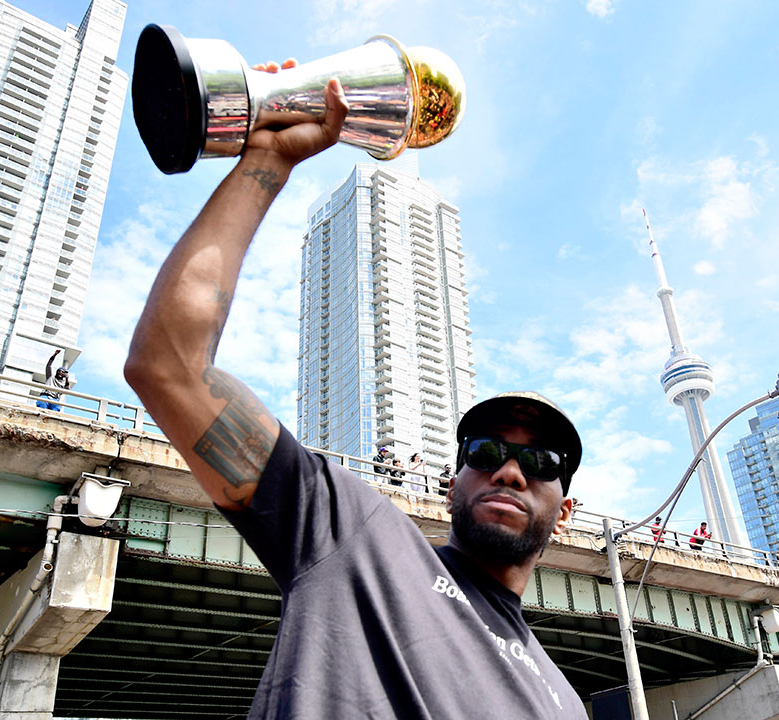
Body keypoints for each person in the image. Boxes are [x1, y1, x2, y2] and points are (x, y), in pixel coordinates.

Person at [122, 71, 589, 719]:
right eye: (485, 451)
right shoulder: (355, 535)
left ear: (565, 512)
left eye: (540, 463)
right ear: (451, 485)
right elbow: (168, 366)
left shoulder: (564, 702)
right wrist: (267, 161)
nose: (509, 469)